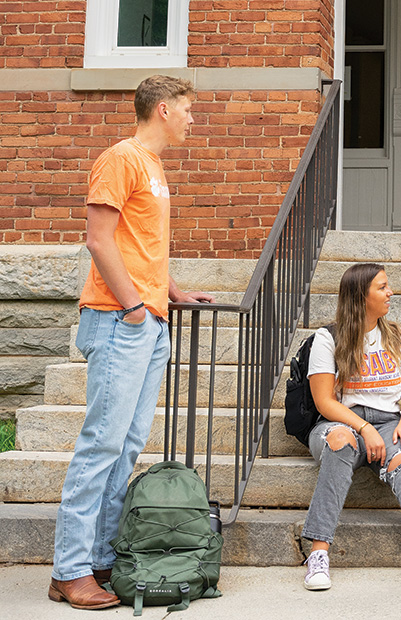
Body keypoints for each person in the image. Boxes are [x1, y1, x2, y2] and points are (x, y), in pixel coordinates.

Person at [50, 75, 215, 609]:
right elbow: (99, 240)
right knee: (100, 446)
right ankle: (68, 571)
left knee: (123, 449)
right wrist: (135, 307)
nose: (193, 119)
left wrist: (171, 292)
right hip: (120, 321)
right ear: (163, 109)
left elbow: (142, 245)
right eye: (188, 109)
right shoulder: (120, 158)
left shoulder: (155, 167)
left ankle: (98, 561)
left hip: (149, 321)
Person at [301, 263, 401, 591]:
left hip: (388, 422)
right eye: (382, 287)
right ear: (361, 297)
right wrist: (363, 427)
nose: (390, 293)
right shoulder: (328, 339)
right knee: (341, 441)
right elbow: (324, 401)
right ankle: (318, 554)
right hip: (338, 422)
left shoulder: (395, 336)